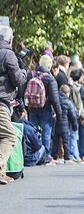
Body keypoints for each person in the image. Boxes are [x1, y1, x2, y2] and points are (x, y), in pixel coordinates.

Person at [20, 54, 62, 164]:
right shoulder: (49, 78)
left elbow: (22, 92)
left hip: (32, 110)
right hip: (45, 110)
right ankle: (46, 156)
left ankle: (35, 154)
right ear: (49, 66)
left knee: (33, 133)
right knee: (45, 134)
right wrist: (59, 113)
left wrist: (24, 107)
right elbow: (54, 99)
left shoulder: (30, 75)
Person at [0, 26, 27, 184]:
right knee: (10, 137)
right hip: (1, 101)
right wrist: (23, 71)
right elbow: (17, 80)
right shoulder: (8, 54)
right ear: (10, 40)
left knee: (1, 136)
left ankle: (2, 173)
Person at [52, 84, 79, 163]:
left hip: (56, 123)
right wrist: (75, 127)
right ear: (68, 93)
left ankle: (54, 156)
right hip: (65, 125)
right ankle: (67, 158)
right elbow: (73, 116)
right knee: (66, 141)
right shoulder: (68, 102)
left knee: (55, 141)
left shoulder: (56, 100)